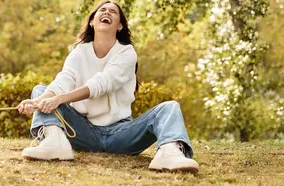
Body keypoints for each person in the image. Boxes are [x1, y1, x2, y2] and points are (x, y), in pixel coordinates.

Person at [16, 1, 199, 173]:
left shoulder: (127, 53)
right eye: (102, 10)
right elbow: (63, 81)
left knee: (170, 108)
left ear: (119, 25)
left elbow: (102, 84)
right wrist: (37, 102)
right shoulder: (79, 52)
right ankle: (55, 143)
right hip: (84, 132)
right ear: (92, 22)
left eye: (113, 11)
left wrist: (57, 99)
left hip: (121, 136)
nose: (106, 12)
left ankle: (169, 154)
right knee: (40, 90)